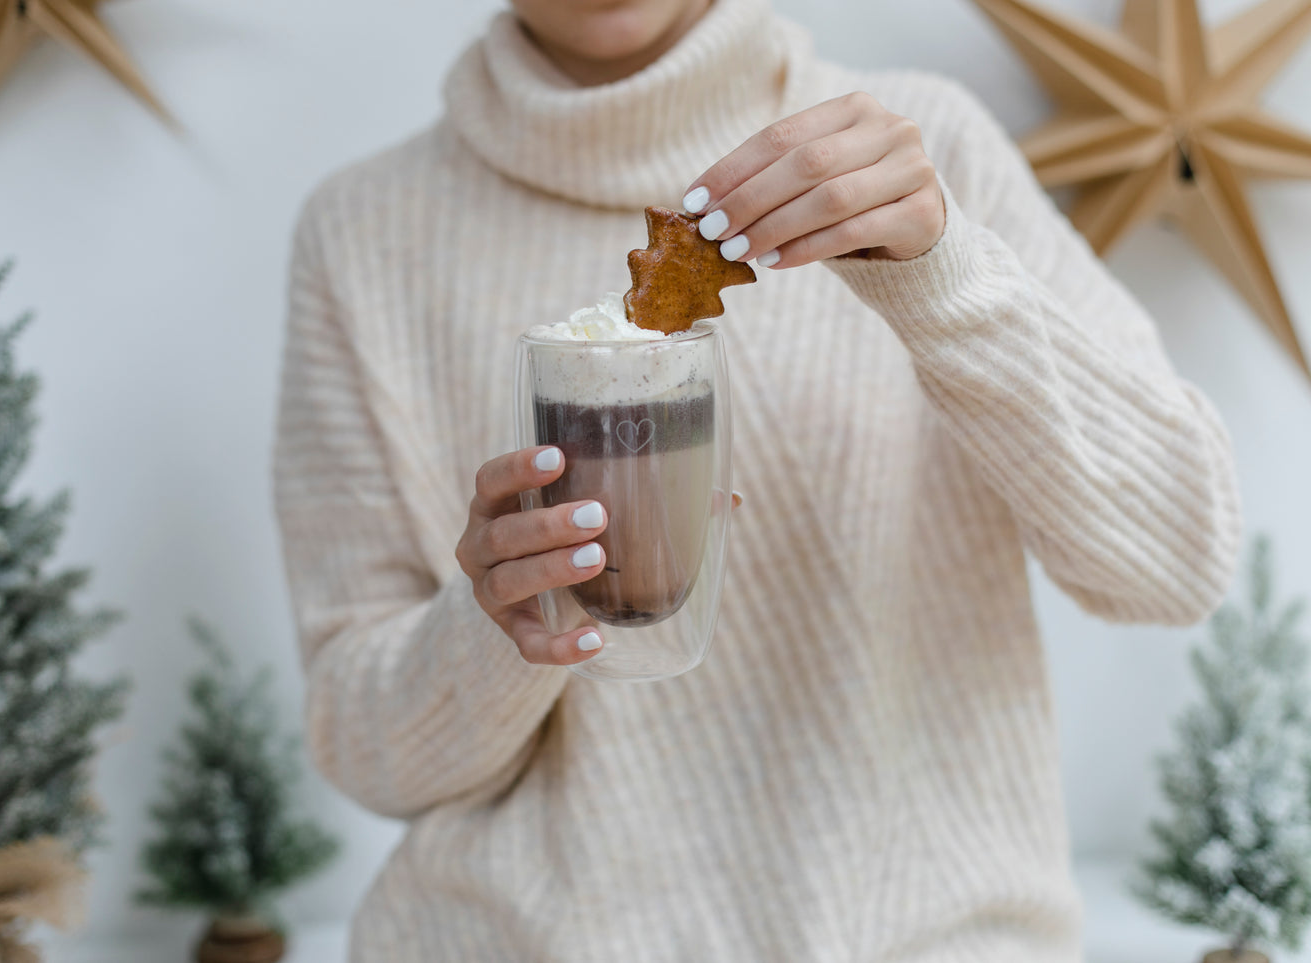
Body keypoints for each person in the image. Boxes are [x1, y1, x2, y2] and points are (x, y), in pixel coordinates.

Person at [272, 0, 1242, 959]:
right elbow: (366, 750)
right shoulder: (363, 229)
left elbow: (1176, 562)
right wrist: (495, 627)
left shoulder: (916, 156)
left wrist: (940, 280)